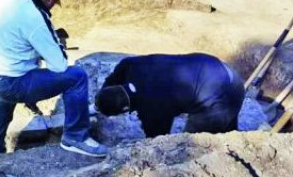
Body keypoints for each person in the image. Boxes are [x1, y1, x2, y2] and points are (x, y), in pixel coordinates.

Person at [0, 0, 108, 157]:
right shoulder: (35, 16)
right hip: (12, 82)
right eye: (54, 3)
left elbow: (14, 38)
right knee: (77, 76)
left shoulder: (6, 0)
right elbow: (59, 65)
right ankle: (76, 137)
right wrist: (56, 44)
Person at [95, 53, 245, 138]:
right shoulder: (128, 65)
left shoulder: (151, 110)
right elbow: (111, 80)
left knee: (190, 144)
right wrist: (101, 99)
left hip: (221, 97)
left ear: (125, 109)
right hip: (227, 73)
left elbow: (158, 141)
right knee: (228, 134)